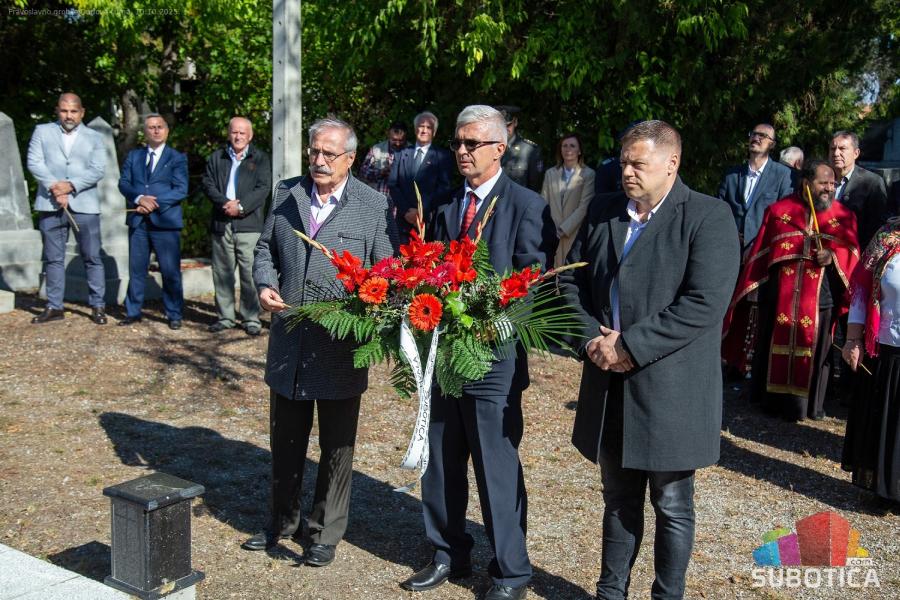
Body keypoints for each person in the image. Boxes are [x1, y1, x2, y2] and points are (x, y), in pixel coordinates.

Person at [559, 120, 740, 600]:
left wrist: (630, 345)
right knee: (618, 499)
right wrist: (592, 340)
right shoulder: (603, 211)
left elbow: (703, 302)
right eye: (623, 162)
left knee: (672, 503)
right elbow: (569, 283)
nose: (627, 172)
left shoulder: (707, 215)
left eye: (639, 163)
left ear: (672, 163)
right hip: (608, 382)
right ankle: (610, 591)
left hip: (670, 387)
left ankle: (666, 595)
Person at [400, 105, 554, 600]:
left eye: (472, 144)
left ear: (499, 149)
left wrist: (491, 317)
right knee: (441, 460)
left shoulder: (527, 206)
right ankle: (449, 553)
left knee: (495, 466)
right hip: (445, 355)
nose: (462, 152)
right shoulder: (445, 209)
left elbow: (532, 281)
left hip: (495, 359)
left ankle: (511, 571)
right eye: (458, 143)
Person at [247, 117, 397, 566]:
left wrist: (369, 307)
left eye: (329, 153)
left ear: (350, 159)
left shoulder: (372, 205)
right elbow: (265, 250)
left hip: (338, 347)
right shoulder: (286, 193)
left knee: (337, 445)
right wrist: (264, 283)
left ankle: (325, 532)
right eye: (314, 151)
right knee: (285, 440)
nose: (319, 160)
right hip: (290, 342)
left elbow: (385, 270)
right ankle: (281, 520)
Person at [724, 160, 859, 421]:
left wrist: (831, 256)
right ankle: (770, 401)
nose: (829, 189)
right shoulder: (780, 210)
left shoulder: (843, 215)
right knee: (774, 342)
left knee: (818, 348)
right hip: (782, 295)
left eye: (832, 184)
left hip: (821, 296)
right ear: (806, 183)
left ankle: (809, 406)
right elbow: (763, 253)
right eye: (823, 183)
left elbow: (851, 254)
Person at [26, 92, 107, 324]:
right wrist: (55, 187)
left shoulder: (94, 137)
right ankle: (54, 306)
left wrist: (70, 186)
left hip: (85, 205)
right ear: (57, 110)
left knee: (92, 256)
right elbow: (34, 162)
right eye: (64, 111)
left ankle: (98, 306)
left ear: (82, 112)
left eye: (73, 111)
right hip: (50, 204)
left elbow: (98, 169)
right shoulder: (42, 131)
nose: (68, 115)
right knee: (53, 258)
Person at [841, 219, 900, 504]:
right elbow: (861, 292)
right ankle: (884, 489)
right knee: (887, 422)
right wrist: (853, 340)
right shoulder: (887, 236)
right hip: (886, 348)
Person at [201, 116, 272, 336]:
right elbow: (207, 183)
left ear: (250, 135)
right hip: (222, 222)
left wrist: (241, 207)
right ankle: (225, 317)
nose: (238, 136)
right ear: (228, 133)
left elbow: (263, 188)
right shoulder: (216, 158)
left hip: (248, 224)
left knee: (250, 273)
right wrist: (225, 204)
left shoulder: (260, 158)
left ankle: (251, 318)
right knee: (222, 272)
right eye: (234, 132)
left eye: (243, 132)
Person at [117, 114, 189, 329]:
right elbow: (124, 183)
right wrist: (139, 199)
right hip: (139, 221)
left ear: (166, 130)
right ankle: (133, 311)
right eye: (151, 127)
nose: (155, 130)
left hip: (165, 223)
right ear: (145, 132)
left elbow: (180, 190)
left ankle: (174, 313)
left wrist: (153, 203)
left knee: (170, 271)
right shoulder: (134, 156)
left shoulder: (176, 158)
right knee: (137, 269)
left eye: (159, 127)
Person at [717, 124, 794, 250]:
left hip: (762, 252)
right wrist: (731, 235)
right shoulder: (732, 174)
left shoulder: (782, 175)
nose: (756, 138)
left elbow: (784, 216)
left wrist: (757, 245)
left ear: (772, 144)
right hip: (730, 248)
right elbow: (719, 210)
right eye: (753, 134)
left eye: (762, 135)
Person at [388, 111, 453, 244]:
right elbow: (393, 185)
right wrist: (407, 211)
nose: (424, 130)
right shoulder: (401, 155)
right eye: (421, 126)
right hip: (403, 222)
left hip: (428, 222)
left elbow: (444, 188)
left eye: (428, 127)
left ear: (434, 132)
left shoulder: (443, 157)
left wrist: (421, 211)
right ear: (415, 129)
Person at [540, 132, 596, 266]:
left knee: (569, 273)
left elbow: (584, 206)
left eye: (572, 146)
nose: (568, 149)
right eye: (564, 146)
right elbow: (543, 202)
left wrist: (563, 229)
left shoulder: (588, 174)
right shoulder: (550, 173)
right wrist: (550, 229)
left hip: (574, 233)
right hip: (551, 234)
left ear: (579, 150)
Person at [830, 130, 888, 248]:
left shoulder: (872, 183)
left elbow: (877, 229)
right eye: (832, 149)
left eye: (842, 149)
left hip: (856, 256)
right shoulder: (821, 181)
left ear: (856, 153)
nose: (836, 153)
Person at [496, 105, 544, 192]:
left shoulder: (530, 150)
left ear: (515, 122)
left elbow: (535, 187)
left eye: (508, 125)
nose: (505, 129)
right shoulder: (488, 148)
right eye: (501, 126)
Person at [358, 121, 408, 199]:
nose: (397, 143)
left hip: (402, 201)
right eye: (394, 140)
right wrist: (381, 172)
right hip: (378, 199)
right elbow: (363, 173)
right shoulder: (377, 149)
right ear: (388, 135)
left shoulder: (412, 151)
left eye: (401, 140)